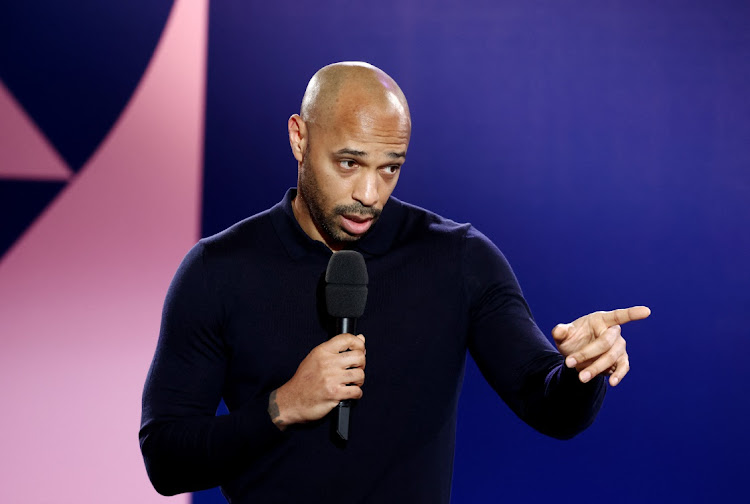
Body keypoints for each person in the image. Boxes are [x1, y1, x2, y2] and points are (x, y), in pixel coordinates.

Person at [139, 62, 650, 502]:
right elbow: (166, 460)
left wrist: (582, 371)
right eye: (349, 162)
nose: (368, 193)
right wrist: (282, 407)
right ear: (299, 137)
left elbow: (550, 407)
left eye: (390, 168)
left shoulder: (459, 259)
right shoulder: (218, 270)